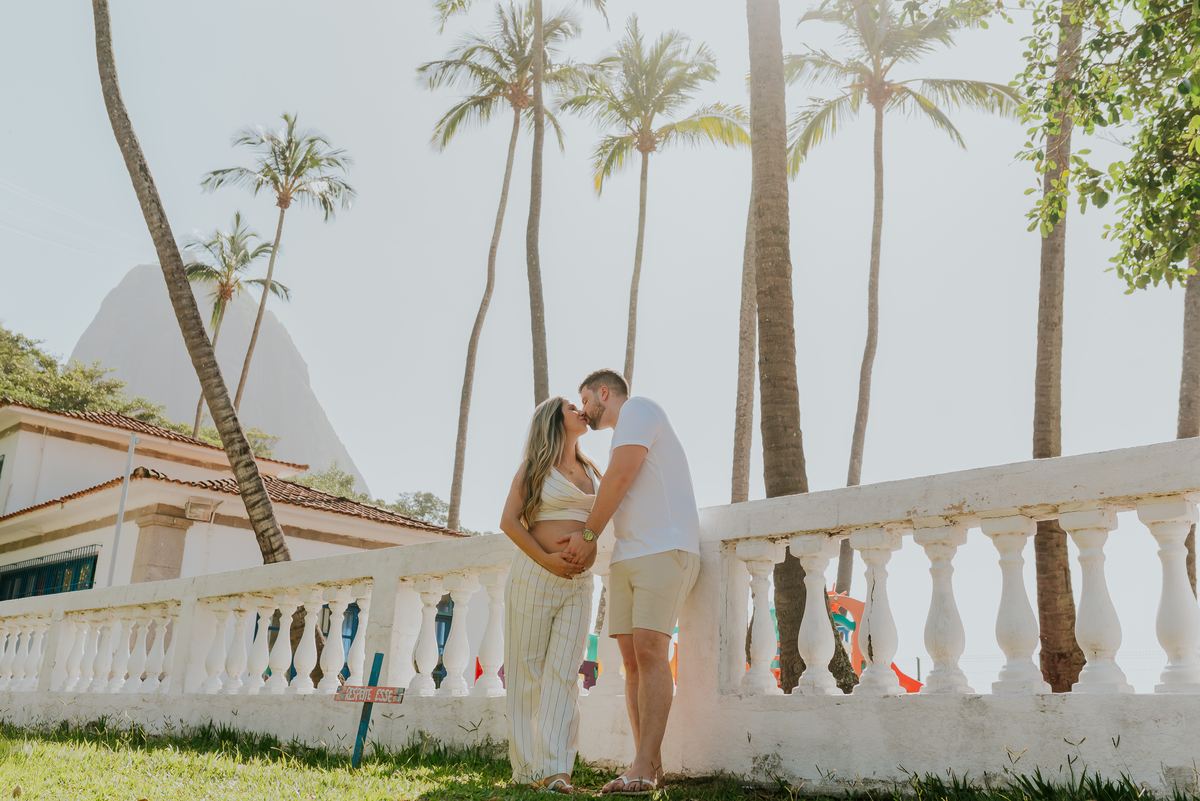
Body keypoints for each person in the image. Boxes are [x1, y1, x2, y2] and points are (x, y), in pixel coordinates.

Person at [561, 369, 701, 796]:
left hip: (665, 549)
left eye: (585, 400)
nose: (583, 411)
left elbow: (620, 479)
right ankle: (645, 766)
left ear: (604, 392)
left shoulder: (639, 409)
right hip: (627, 554)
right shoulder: (626, 428)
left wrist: (587, 537)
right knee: (631, 661)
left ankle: (642, 766)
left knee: (650, 650)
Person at [499, 396, 602, 794]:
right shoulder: (535, 467)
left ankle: (558, 771)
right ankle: (527, 771)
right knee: (525, 674)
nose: (581, 410)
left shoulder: (593, 469)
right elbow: (509, 521)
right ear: (553, 420)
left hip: (578, 585)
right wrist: (546, 558)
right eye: (571, 407)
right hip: (534, 576)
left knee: (565, 674)